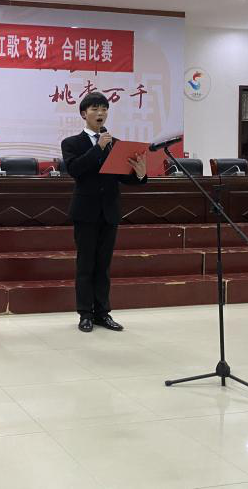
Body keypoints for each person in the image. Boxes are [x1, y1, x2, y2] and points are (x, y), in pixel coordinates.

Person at [61, 92, 147, 333]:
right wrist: (98, 148)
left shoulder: (115, 143)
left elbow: (123, 177)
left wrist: (140, 174)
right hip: (85, 212)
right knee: (85, 265)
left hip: (109, 211)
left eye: (104, 109)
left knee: (103, 266)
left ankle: (102, 313)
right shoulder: (72, 143)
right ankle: (85, 314)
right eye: (95, 109)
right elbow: (76, 170)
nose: (101, 113)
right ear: (83, 114)